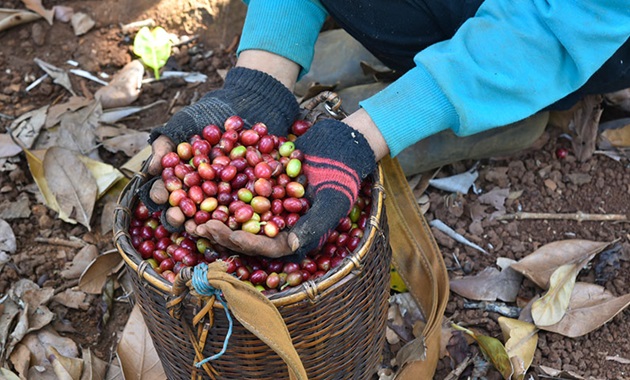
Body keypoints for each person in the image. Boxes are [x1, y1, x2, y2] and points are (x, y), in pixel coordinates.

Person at [143, 0, 630, 261]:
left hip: (591, 22)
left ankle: (484, 95)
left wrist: (368, 135)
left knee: (568, 46)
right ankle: (424, 70)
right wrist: (260, 81)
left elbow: (571, 14)